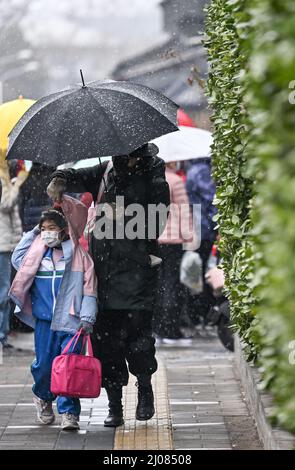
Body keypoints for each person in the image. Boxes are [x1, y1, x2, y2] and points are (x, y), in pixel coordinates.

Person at [47, 143, 170, 427]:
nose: (122, 157)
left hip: (138, 270)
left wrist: (125, 213)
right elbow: (73, 176)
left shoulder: (154, 170)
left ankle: (145, 386)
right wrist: (59, 179)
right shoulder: (106, 170)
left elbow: (158, 220)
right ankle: (114, 404)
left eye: (128, 154)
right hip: (103, 271)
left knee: (139, 339)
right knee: (106, 342)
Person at [9, 195, 98, 430]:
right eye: (43, 229)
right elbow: (17, 258)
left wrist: (87, 316)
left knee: (69, 366)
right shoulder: (37, 257)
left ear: (63, 230)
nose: (47, 233)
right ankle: (43, 397)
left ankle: (69, 412)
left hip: (71, 322)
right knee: (44, 366)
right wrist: (34, 234)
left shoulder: (79, 257)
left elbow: (89, 289)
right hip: (44, 322)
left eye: (52, 228)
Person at [153, 161, 197, 345]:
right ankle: (169, 329)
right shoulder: (175, 180)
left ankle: (156, 328)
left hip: (153, 238)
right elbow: (183, 212)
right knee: (172, 284)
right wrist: (191, 237)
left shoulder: (152, 179)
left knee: (156, 283)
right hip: (172, 241)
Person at [186, 157, 217, 324]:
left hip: (195, 228)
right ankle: (201, 312)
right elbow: (211, 200)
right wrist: (218, 223)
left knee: (194, 272)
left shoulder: (192, 170)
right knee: (202, 272)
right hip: (203, 229)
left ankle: (195, 312)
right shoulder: (201, 171)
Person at [0, 161, 24, 351]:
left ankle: (3, 334)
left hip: (7, 243)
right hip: (2, 244)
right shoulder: (3, 181)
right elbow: (6, 204)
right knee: (3, 292)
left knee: (6, 291)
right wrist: (14, 185)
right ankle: (1, 335)